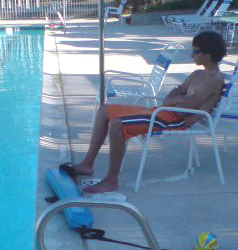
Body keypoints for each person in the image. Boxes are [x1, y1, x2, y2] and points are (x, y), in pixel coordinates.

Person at [69, 31, 227, 193]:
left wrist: (175, 100)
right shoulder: (197, 74)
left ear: (208, 54)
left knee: (117, 125)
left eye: (195, 51)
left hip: (176, 121)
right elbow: (178, 93)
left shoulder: (213, 80)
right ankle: (88, 164)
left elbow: (186, 106)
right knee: (104, 111)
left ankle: (111, 180)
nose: (191, 55)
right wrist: (176, 99)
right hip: (164, 112)